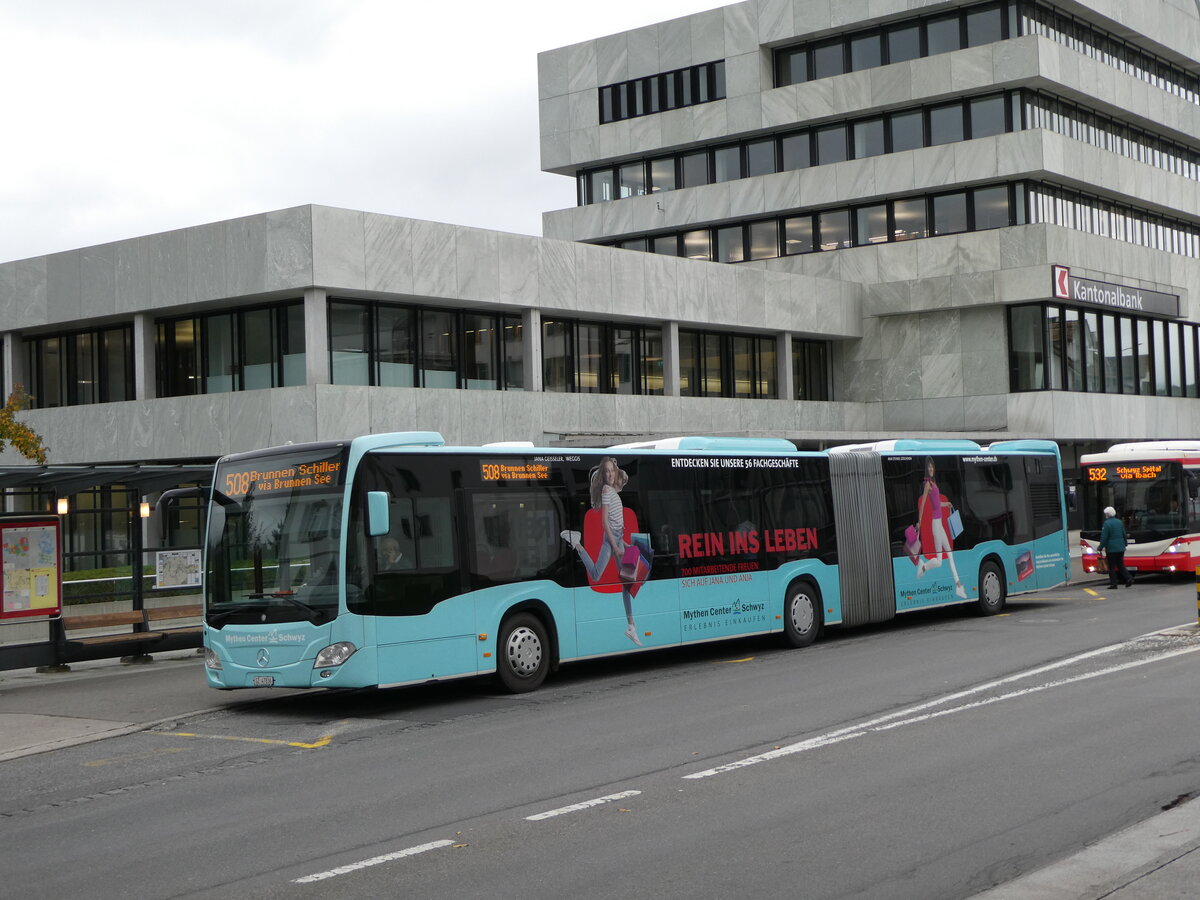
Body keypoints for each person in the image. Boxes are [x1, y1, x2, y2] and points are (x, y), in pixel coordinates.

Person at [561, 456, 642, 646]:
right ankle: (577, 543)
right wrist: (616, 547)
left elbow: (616, 522)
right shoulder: (606, 491)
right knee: (597, 575)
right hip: (611, 539)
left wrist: (624, 544)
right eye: (606, 471)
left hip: (618, 538)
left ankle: (631, 626)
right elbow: (605, 522)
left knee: (628, 582)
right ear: (603, 475)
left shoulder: (613, 491)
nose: (610, 474)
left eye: (612, 471)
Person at [915, 456, 967, 599]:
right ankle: (924, 567)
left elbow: (937, 504)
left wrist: (946, 504)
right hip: (936, 525)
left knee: (949, 555)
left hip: (939, 525)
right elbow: (923, 504)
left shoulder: (934, 483)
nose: (931, 468)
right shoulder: (928, 484)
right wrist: (919, 522)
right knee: (939, 561)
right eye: (928, 467)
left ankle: (959, 586)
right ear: (926, 469)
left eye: (932, 466)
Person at [1098, 505, 1134, 589]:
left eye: (1105, 514)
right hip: (1121, 548)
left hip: (1111, 549)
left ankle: (1114, 583)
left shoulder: (1107, 523)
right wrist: (1125, 543)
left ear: (1107, 514)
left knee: (1111, 567)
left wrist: (1100, 547)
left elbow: (1104, 537)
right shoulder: (1119, 522)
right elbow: (1124, 534)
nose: (1105, 515)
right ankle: (1129, 578)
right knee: (1120, 565)